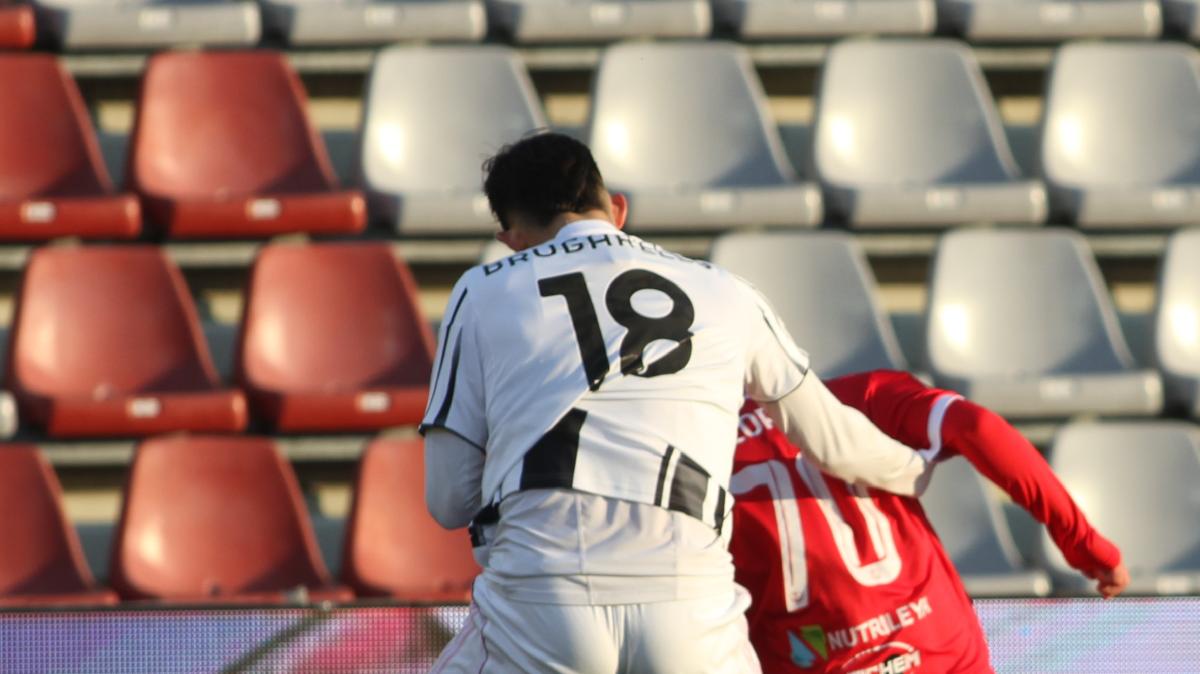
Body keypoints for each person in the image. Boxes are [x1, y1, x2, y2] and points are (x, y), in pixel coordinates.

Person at [419, 132, 942, 674]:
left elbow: (449, 500)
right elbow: (834, 441)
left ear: (510, 240)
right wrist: (918, 467)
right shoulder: (726, 289)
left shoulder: (481, 290)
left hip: (543, 598)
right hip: (691, 604)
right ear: (617, 209)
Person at [730, 369, 1130, 674]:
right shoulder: (856, 394)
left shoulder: (698, 453)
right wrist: (1078, 538)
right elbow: (978, 427)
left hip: (813, 656)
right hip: (939, 647)